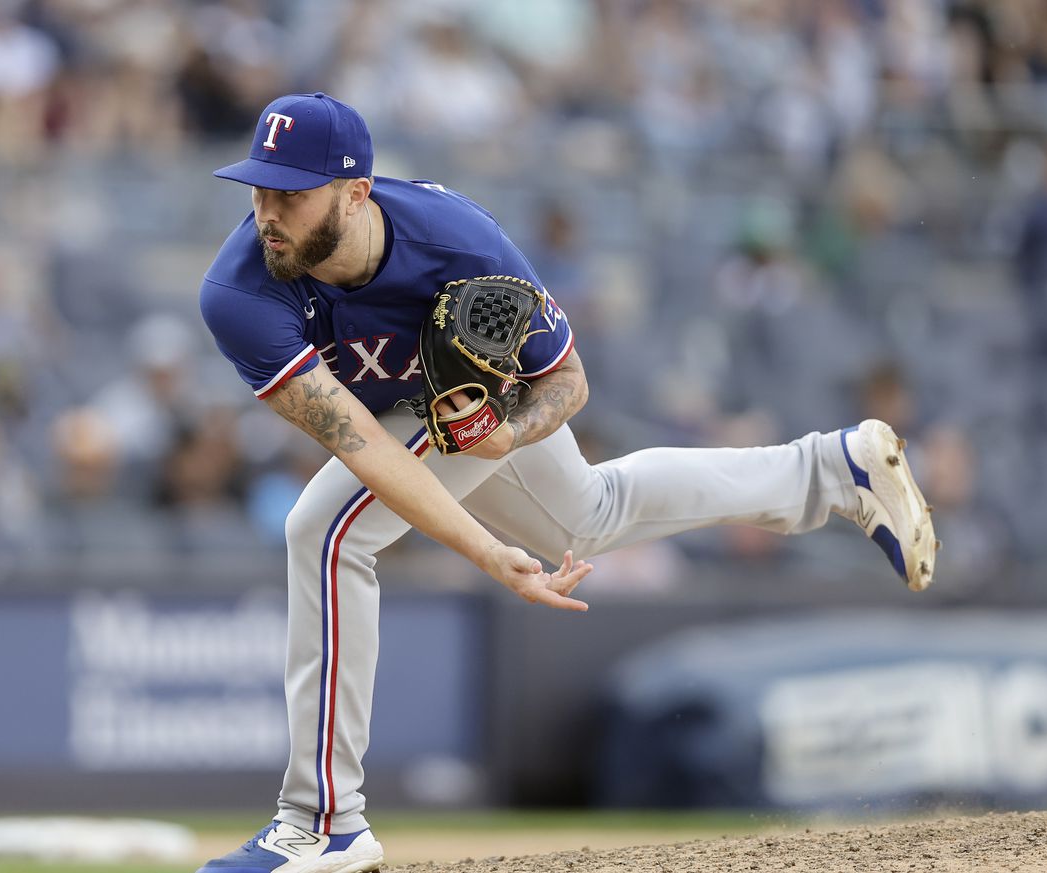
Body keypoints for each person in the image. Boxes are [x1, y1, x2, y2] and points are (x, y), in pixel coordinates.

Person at [196, 92, 938, 873]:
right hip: (397, 421)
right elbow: (364, 448)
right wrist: (487, 549)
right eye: (258, 187)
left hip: (483, 408)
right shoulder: (241, 291)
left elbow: (569, 382)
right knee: (583, 519)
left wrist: (506, 434)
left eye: (291, 192)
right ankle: (828, 469)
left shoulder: (457, 240)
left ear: (355, 193)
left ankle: (323, 819)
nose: (268, 211)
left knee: (326, 532)